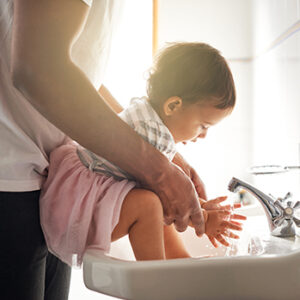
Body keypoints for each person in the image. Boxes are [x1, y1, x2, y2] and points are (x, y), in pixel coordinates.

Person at [1, 1, 207, 299]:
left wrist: (161, 152)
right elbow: (38, 69)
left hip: (50, 173)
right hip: (10, 175)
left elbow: (79, 78)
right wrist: (159, 171)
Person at [40, 42, 246, 265]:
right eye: (203, 125)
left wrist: (202, 205)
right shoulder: (154, 136)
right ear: (173, 106)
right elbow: (169, 199)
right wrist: (204, 219)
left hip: (75, 191)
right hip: (76, 205)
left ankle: (176, 259)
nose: (204, 135)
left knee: (155, 199)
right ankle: (154, 277)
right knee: (150, 204)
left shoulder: (147, 114)